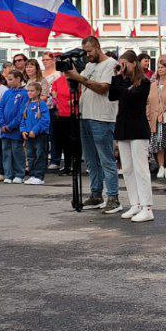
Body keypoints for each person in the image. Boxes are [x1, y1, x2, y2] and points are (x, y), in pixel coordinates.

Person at [64, 36, 121, 212]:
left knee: (105, 158)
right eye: (85, 52)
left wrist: (79, 78)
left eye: (89, 51)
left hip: (102, 117)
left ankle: (113, 197)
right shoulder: (89, 66)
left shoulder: (111, 64)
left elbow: (103, 88)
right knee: (90, 159)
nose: (87, 55)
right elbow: (81, 85)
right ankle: (96, 194)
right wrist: (72, 76)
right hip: (85, 116)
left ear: (97, 47)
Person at [110, 51, 154, 222]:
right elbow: (112, 96)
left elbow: (129, 97)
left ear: (133, 63)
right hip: (123, 127)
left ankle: (146, 207)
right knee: (127, 168)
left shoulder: (143, 82)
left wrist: (121, 80)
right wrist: (116, 76)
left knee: (140, 168)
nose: (122, 66)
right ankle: (135, 204)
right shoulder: (122, 80)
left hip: (138, 128)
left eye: (124, 63)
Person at [20, 80, 50, 186]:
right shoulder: (27, 105)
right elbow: (23, 119)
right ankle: (32, 175)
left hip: (40, 135)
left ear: (38, 92)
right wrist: (23, 130)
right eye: (28, 91)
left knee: (40, 155)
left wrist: (35, 130)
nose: (29, 93)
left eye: (32, 91)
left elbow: (45, 121)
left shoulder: (42, 105)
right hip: (29, 135)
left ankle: (39, 176)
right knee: (30, 155)